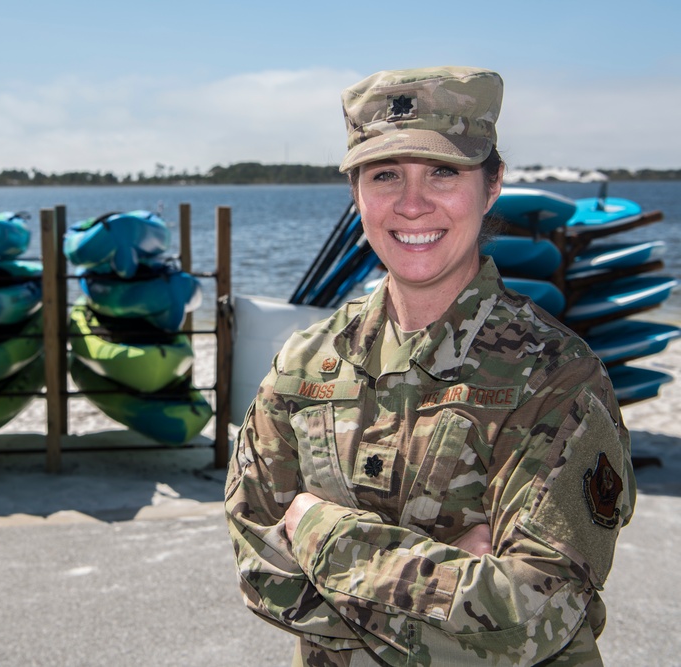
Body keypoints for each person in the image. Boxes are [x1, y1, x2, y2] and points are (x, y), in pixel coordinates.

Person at [224, 66, 636, 666]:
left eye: (444, 171)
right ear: (355, 195)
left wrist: (318, 530)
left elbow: (528, 620)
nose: (412, 204)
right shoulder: (305, 364)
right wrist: (451, 574)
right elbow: (258, 564)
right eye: (385, 174)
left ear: (492, 186)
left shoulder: (555, 378)